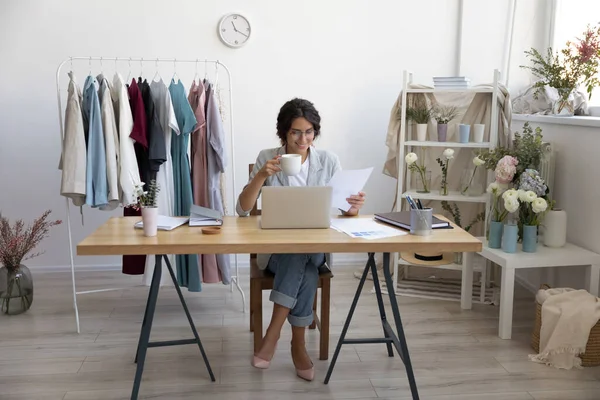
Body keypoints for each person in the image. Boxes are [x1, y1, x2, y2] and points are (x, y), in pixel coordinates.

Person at [236, 98, 366, 381]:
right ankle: (298, 345)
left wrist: (353, 207)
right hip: (276, 254)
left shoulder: (328, 161)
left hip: (317, 248)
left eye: (309, 132)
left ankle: (272, 334)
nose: (303, 138)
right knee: (303, 266)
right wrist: (260, 175)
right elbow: (242, 209)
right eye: (296, 132)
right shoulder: (267, 157)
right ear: (284, 132)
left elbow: (345, 210)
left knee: (304, 254)